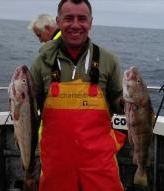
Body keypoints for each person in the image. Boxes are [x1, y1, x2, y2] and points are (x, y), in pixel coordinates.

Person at [30, 0, 125, 190]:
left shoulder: (108, 60)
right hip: (55, 167)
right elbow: (30, 113)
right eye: (68, 18)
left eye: (82, 18)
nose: (75, 25)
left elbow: (118, 103)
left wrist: (130, 104)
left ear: (90, 22)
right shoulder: (41, 62)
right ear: (58, 22)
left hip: (100, 167)